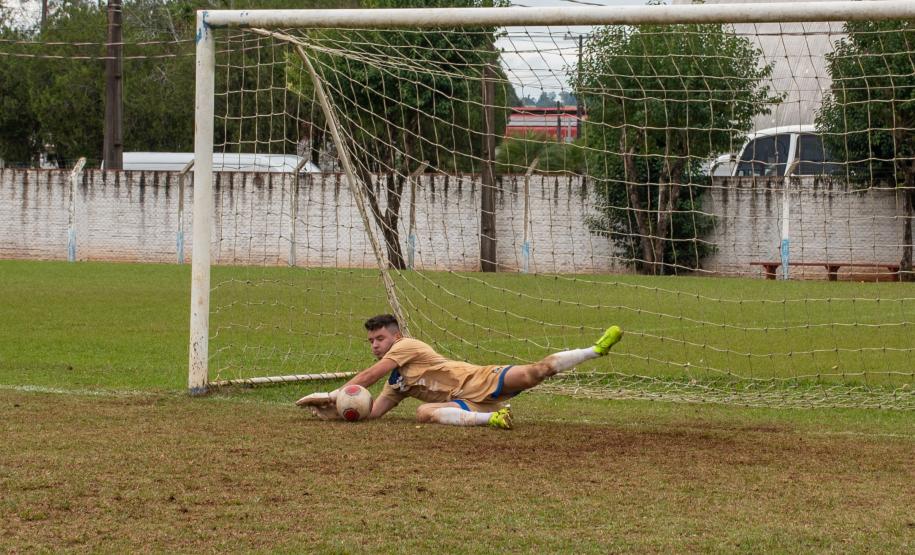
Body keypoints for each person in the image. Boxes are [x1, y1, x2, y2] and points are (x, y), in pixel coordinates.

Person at [295, 314, 623, 429]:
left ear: (395, 336)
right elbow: (374, 412)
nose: (375, 345)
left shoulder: (407, 346)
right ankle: (492, 419)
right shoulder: (396, 385)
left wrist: (334, 393)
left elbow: (369, 377)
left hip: (478, 379)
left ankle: (594, 350)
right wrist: (339, 411)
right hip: (467, 403)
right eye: (370, 341)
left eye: (379, 339)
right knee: (423, 412)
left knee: (535, 373)